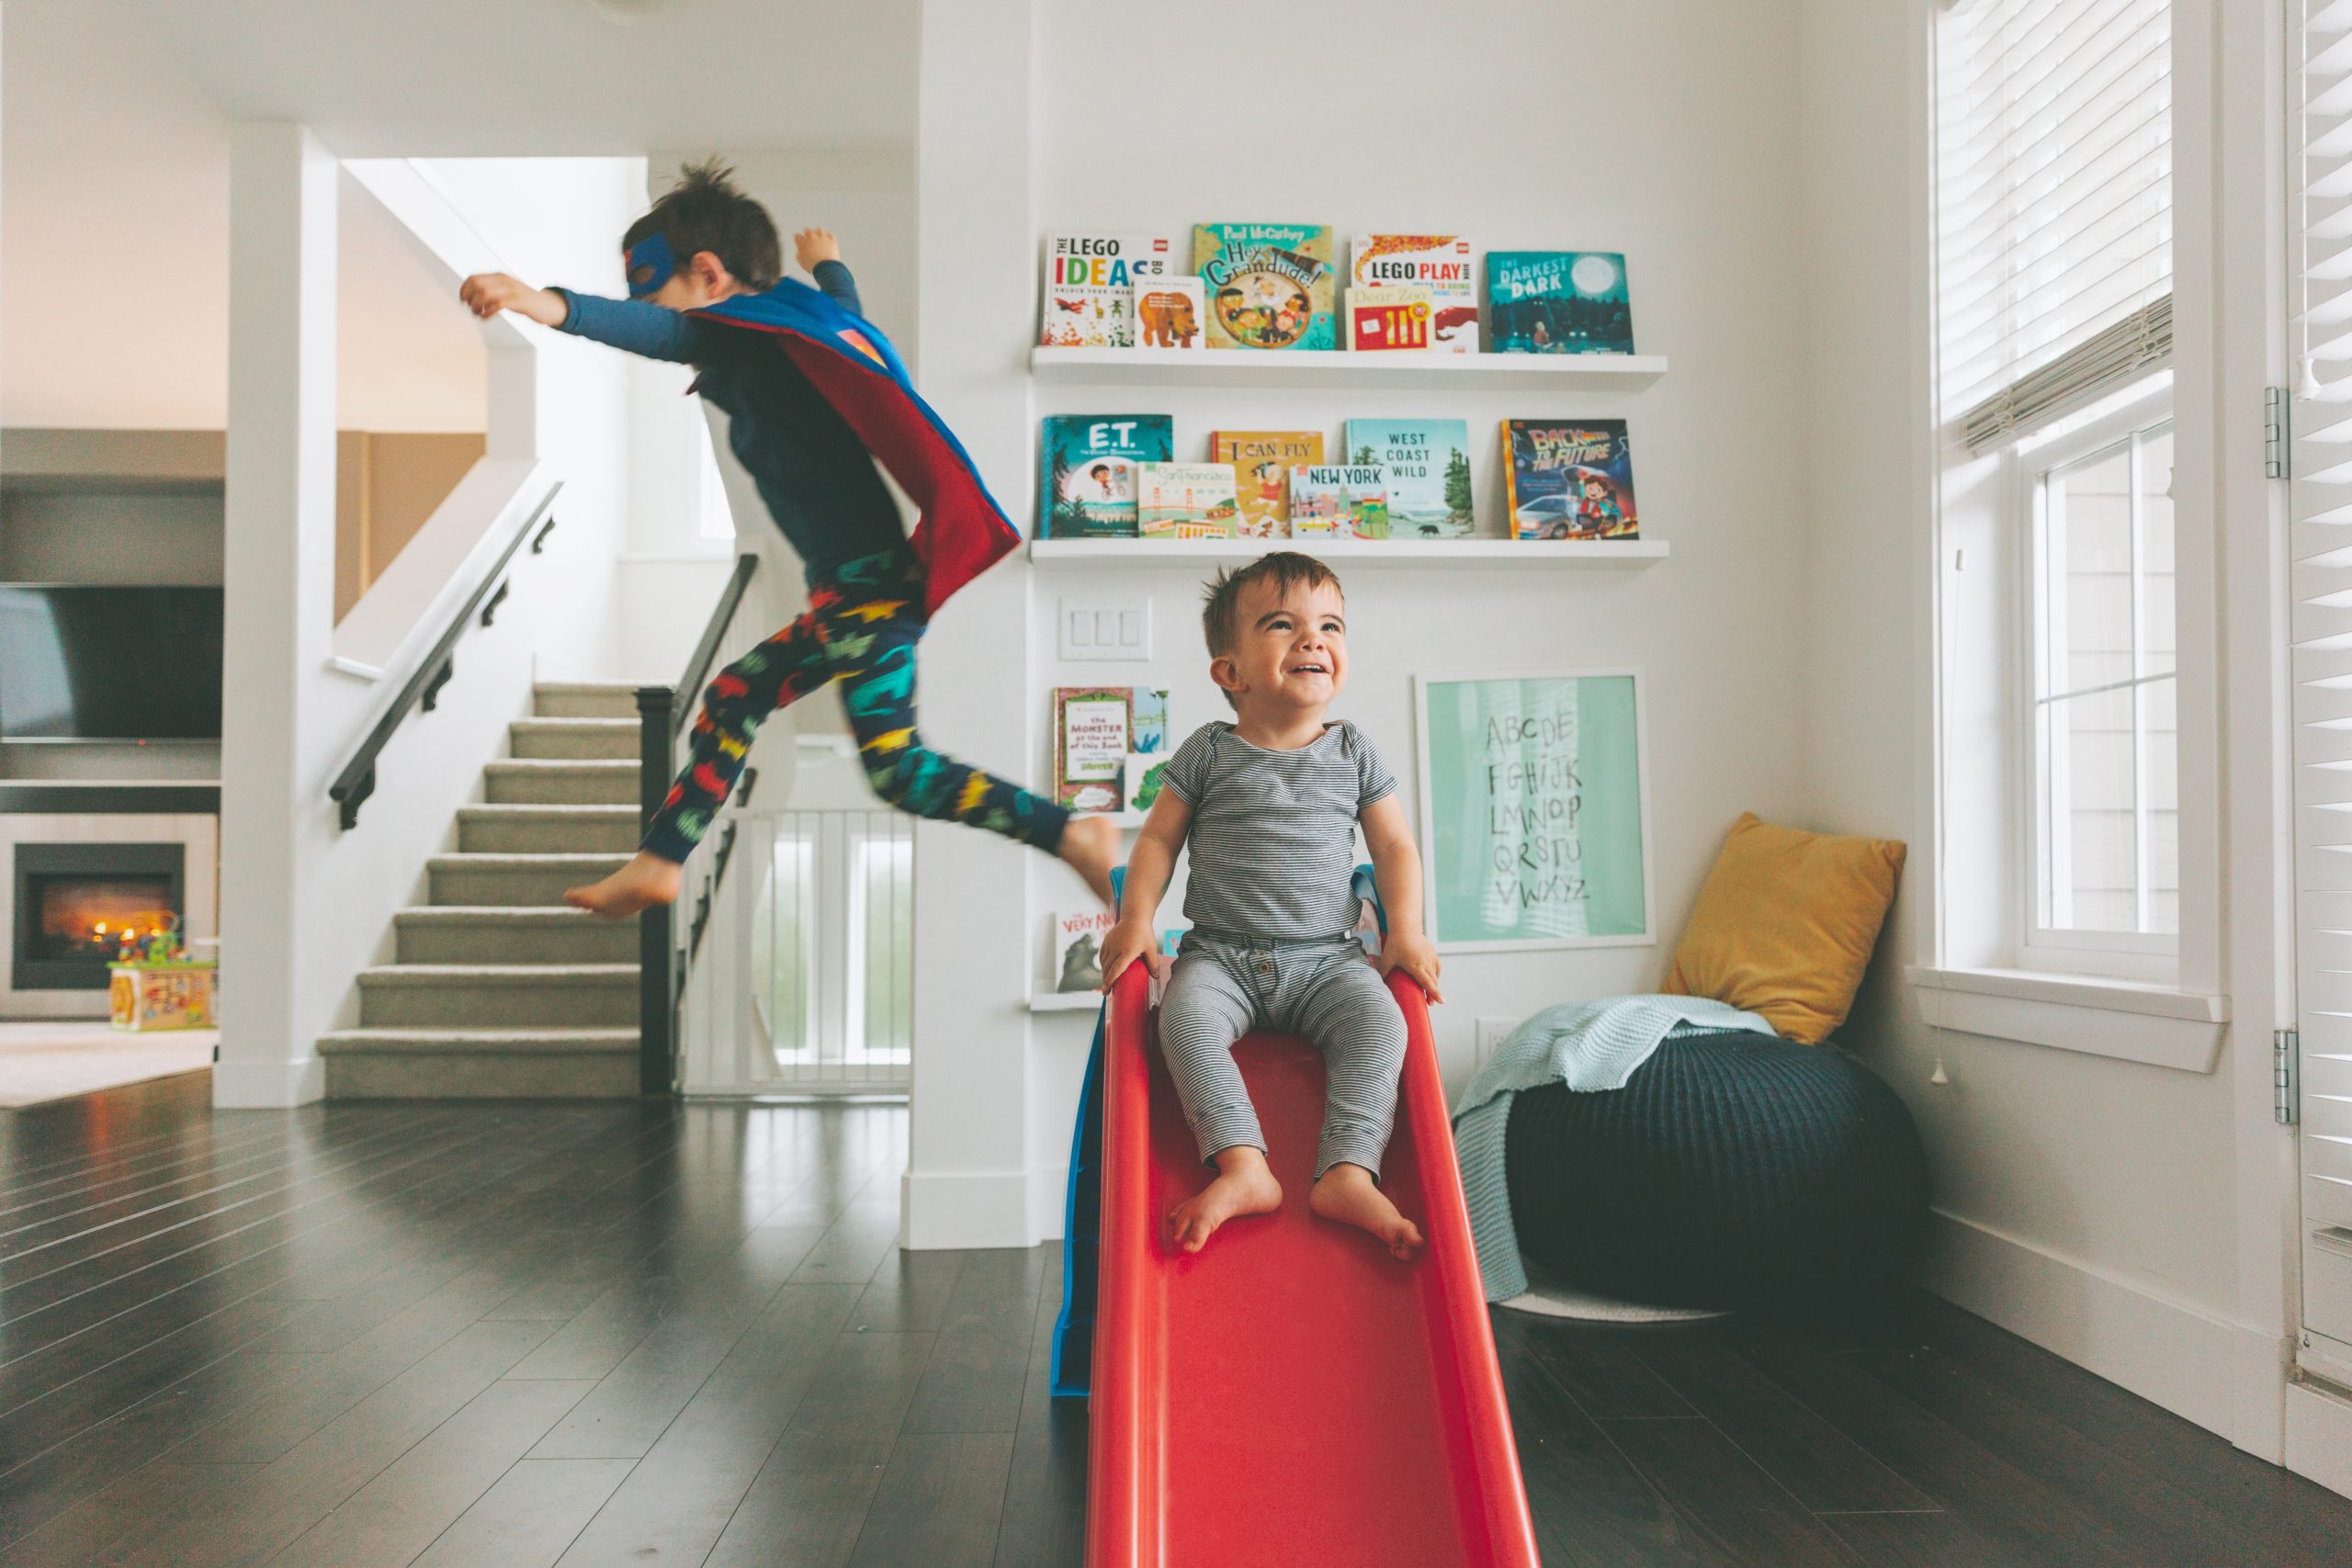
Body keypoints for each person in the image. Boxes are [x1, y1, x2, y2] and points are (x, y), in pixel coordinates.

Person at [457, 161, 1118, 916]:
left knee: (897, 772)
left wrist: (542, 303)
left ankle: (1071, 834)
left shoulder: (741, 336)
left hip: (867, 593)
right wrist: (828, 264)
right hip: (849, 592)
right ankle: (661, 860)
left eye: (658, 289)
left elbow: (662, 330)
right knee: (735, 693)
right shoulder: (796, 323)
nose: (664, 313)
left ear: (708, 275)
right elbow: (849, 313)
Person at [1095, 552, 1442, 1260]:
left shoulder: (1354, 751)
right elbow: (1158, 839)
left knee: (1381, 1024)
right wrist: (1137, 919)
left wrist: (1404, 931)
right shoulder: (1208, 752)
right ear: (1230, 671)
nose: (1314, 640)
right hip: (1220, 954)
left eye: (1330, 626)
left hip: (1328, 959)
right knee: (1181, 1022)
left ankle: (1347, 1169)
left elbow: (1397, 846)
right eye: (1283, 624)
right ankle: (1244, 1165)